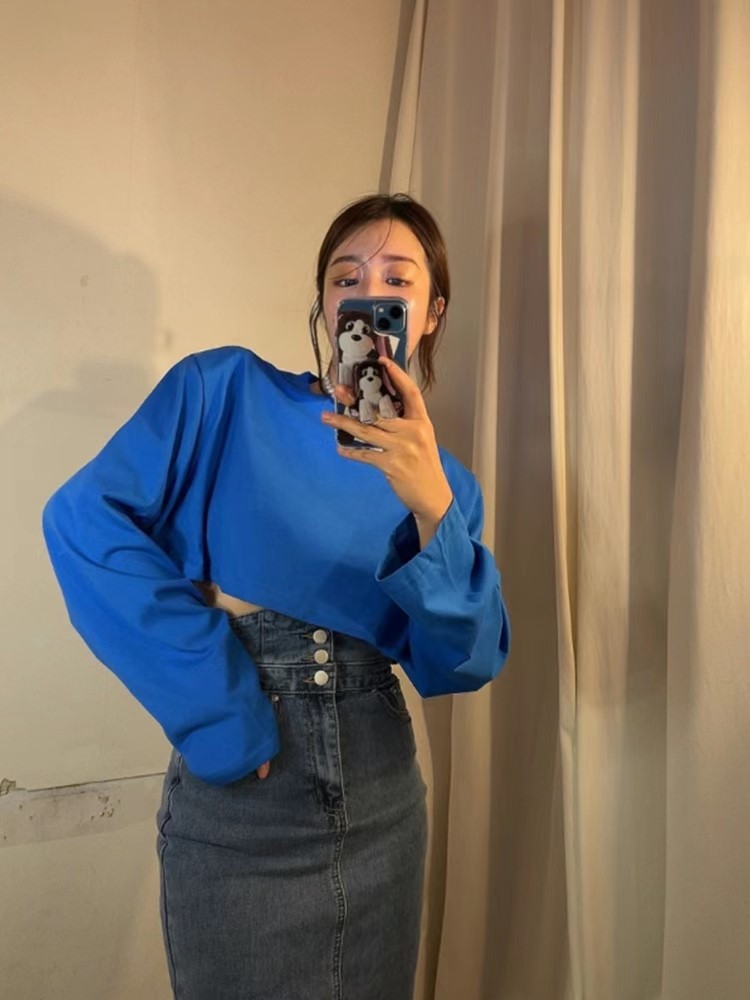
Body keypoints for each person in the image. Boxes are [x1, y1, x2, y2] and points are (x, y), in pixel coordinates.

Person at [42, 193, 511, 1000]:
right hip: (249, 799)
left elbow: (460, 663)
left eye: (397, 279)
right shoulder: (224, 392)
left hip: (382, 799)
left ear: (432, 311)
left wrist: (432, 505)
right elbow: (82, 523)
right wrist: (221, 713)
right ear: (326, 306)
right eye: (345, 278)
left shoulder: (448, 486)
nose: (367, 293)